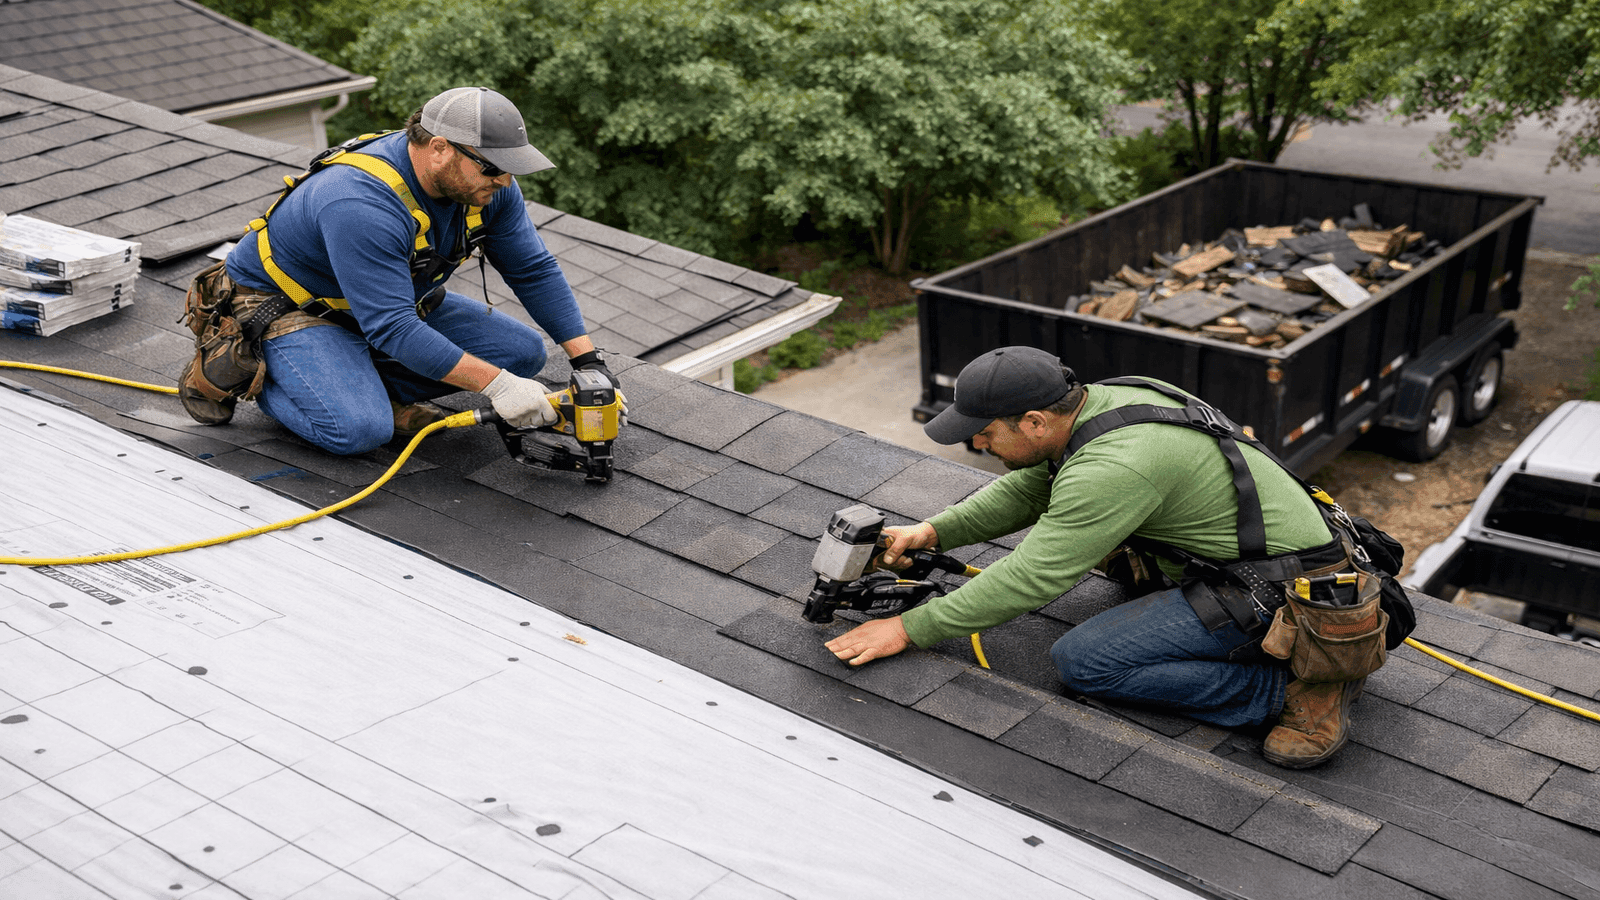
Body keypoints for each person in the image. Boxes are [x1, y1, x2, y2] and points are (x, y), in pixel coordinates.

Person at [824, 345, 1378, 768]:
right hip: (1236, 560)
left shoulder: (1116, 467)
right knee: (1107, 554)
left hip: (1283, 593)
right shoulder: (1103, 402)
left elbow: (1033, 577)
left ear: (1035, 421)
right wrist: (931, 533)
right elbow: (1030, 489)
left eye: (986, 434)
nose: (979, 445)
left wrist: (910, 628)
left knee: (1085, 662)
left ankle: (1296, 686)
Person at [212, 86, 613, 454]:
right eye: (493, 168)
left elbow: (532, 269)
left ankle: (359, 379)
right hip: (289, 309)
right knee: (359, 430)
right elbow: (392, 327)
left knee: (522, 354)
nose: (506, 181)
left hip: (380, 305)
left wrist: (589, 364)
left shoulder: (483, 186)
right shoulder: (359, 202)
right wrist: (498, 385)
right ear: (440, 148)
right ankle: (263, 376)